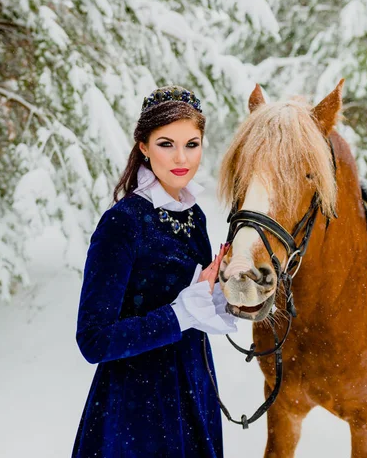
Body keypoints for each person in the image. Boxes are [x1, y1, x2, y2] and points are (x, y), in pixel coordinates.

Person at [71, 85, 238, 458]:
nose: (181, 157)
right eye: (166, 144)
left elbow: (192, 299)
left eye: (191, 144)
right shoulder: (123, 223)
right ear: (144, 147)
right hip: (136, 407)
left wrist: (221, 292)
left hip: (193, 390)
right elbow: (94, 340)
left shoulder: (194, 215)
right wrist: (179, 313)